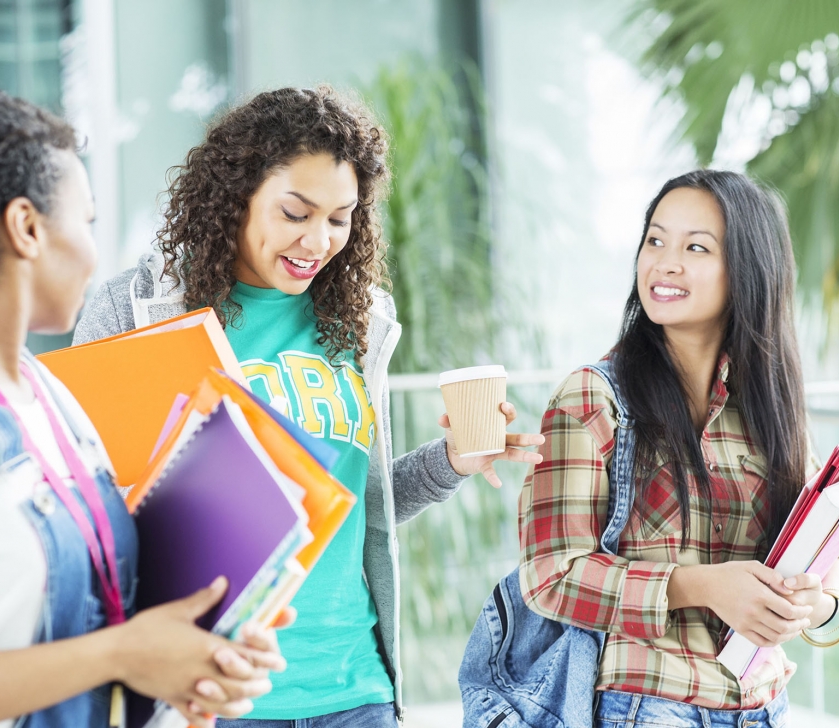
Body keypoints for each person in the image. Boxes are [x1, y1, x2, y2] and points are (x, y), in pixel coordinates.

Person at [73, 85, 544, 727]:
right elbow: (89, 515)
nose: (318, 241)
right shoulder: (139, 311)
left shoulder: (357, 320)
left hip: (355, 692)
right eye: (295, 212)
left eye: (339, 218)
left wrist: (452, 461)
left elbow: (354, 506)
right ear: (236, 195)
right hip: (215, 695)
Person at [0, 84, 294, 728]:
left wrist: (189, 653)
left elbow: (96, 621)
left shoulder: (53, 397)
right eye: (86, 223)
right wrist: (121, 653)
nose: (94, 253)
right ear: (27, 228)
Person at [515, 171, 839, 727]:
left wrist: (815, 604)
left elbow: (830, 552)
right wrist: (700, 586)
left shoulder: (771, 407)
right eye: (655, 240)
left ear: (747, 271)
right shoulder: (593, 398)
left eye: (695, 247)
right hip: (643, 705)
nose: (664, 263)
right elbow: (550, 576)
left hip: (764, 707)